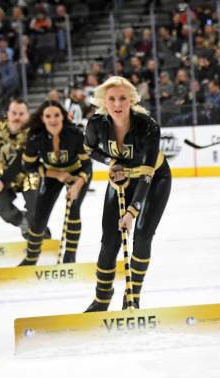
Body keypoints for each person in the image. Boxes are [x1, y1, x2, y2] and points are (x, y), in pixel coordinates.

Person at [84, 76, 172, 312]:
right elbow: (88, 149)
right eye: (111, 99)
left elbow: (146, 174)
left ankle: (132, 296)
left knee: (142, 237)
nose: (117, 104)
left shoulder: (148, 126)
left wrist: (132, 212)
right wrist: (110, 160)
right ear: (104, 101)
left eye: (123, 98)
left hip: (153, 179)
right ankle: (101, 299)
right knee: (109, 242)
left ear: (131, 99)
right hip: (120, 179)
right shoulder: (95, 124)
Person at [13, 100, 91, 265]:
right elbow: (28, 165)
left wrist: (77, 185)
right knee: (40, 214)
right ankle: (31, 257)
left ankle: (69, 257)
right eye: (48, 116)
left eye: (56, 115)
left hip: (78, 174)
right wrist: (57, 174)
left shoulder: (76, 135)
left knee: (74, 210)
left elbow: (87, 165)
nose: (53, 119)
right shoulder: (36, 138)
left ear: (63, 116)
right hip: (51, 174)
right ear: (42, 118)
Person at [0, 98, 45, 239]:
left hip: (27, 175)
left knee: (35, 209)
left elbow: (20, 162)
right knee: (5, 210)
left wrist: (2, 181)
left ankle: (38, 231)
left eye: (21, 114)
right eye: (14, 113)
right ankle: (25, 223)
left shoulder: (34, 133)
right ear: (8, 113)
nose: (17, 117)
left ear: (28, 115)